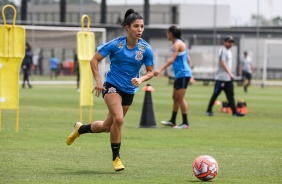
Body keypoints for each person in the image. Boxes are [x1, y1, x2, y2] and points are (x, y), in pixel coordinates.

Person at [66, 9, 154, 172]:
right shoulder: (116, 44)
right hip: (111, 85)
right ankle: (116, 159)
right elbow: (94, 59)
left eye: (142, 26)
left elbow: (151, 71)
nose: (140, 30)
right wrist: (98, 80)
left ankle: (80, 129)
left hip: (129, 90)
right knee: (119, 120)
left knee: (108, 126)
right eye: (136, 26)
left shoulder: (145, 49)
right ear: (127, 27)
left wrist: (141, 79)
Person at [154, 26, 193, 129]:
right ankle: (173, 121)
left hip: (183, 74)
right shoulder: (178, 44)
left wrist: (159, 69)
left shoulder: (177, 44)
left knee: (180, 98)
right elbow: (188, 59)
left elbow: (172, 60)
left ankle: (185, 123)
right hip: (180, 74)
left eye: (167, 33)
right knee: (175, 97)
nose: (167, 35)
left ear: (171, 33)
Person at [206, 36, 245, 117]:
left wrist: (230, 74)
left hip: (228, 78)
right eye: (229, 42)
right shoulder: (222, 51)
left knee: (230, 95)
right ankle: (208, 110)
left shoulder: (229, 52)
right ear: (225, 42)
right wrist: (230, 73)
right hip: (221, 78)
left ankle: (234, 112)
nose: (230, 43)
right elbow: (222, 63)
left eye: (232, 42)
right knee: (215, 94)